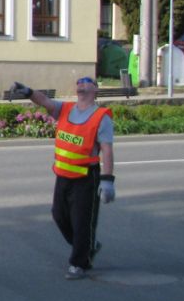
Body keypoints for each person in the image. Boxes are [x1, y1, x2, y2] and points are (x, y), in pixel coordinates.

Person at [9, 77, 115, 280]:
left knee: (82, 222)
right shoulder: (65, 109)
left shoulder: (101, 117)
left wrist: (107, 180)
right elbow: (44, 101)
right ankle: (87, 246)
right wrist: (28, 91)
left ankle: (79, 263)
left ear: (95, 90)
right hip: (63, 175)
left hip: (86, 177)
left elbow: (107, 150)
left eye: (87, 82)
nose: (81, 84)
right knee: (59, 215)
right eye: (79, 82)